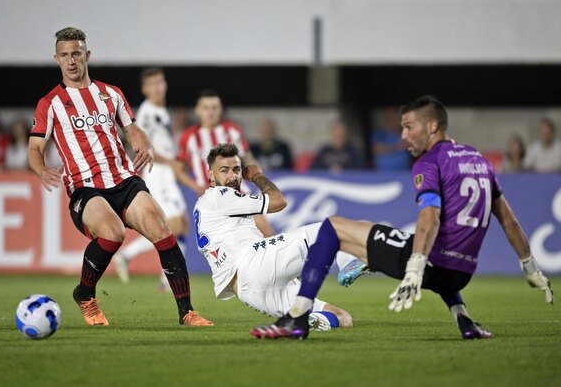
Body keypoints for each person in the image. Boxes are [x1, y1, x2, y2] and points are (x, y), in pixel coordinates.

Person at [251, 95, 554, 340]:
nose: (403, 136)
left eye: (409, 127)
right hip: (461, 271)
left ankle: (297, 319)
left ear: (433, 126)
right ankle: (464, 320)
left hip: (427, 263)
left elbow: (430, 218)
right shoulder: (479, 160)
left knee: (331, 227)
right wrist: (529, 266)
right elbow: (509, 220)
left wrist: (414, 269)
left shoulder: (429, 162)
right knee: (379, 233)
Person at [28, 27, 212, 327]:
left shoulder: (111, 93)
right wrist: (41, 169)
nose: (71, 61)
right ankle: (85, 294)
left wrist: (141, 140)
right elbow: (35, 146)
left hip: (123, 179)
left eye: (76, 54)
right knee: (113, 233)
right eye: (64, 55)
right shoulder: (51, 103)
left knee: (161, 228)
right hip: (85, 187)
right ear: (56, 59)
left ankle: (187, 312)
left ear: (87, 55)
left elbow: (131, 127)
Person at [195, 143, 366, 330]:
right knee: (332, 228)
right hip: (251, 263)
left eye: (236, 170)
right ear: (211, 176)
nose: (232, 176)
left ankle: (304, 322)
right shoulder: (220, 196)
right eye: (224, 170)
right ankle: (349, 262)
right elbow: (278, 201)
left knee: (342, 318)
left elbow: (263, 233)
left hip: (249, 292)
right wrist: (257, 175)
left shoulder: (215, 204)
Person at [113, 68, 189, 291]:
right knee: (172, 226)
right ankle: (129, 256)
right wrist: (172, 162)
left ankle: (165, 281)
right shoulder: (146, 113)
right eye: (152, 84)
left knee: (181, 225)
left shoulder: (161, 110)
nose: (157, 87)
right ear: (145, 89)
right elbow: (144, 146)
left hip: (167, 173)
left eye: (160, 82)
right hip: (158, 173)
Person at [175, 89, 274, 237]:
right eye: (206, 108)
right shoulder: (189, 137)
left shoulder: (232, 130)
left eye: (214, 107)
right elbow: (178, 169)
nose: (211, 112)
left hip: (239, 192)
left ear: (220, 109)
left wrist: (256, 173)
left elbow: (247, 157)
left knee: (266, 233)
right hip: (211, 199)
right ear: (198, 110)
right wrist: (195, 186)